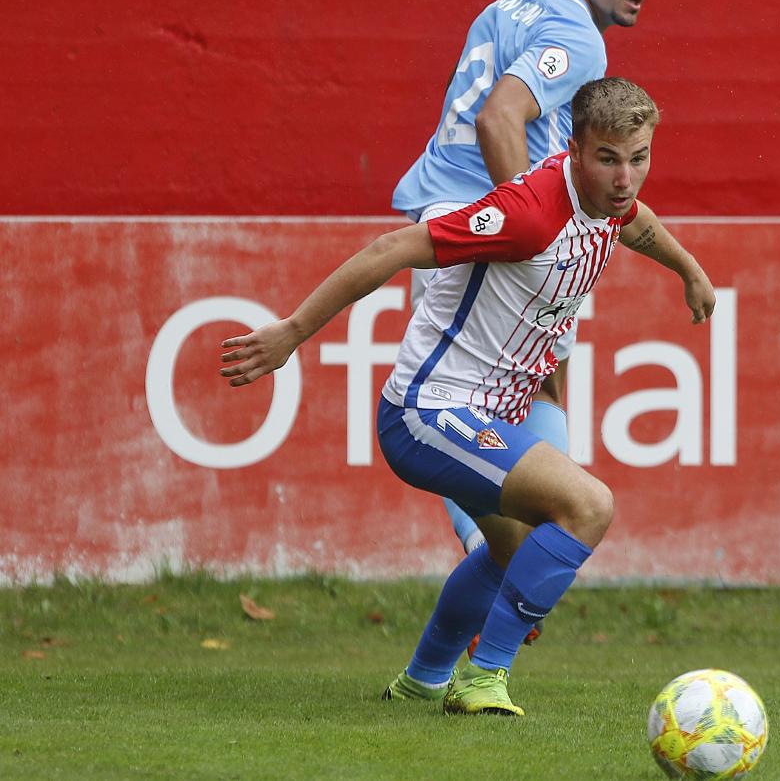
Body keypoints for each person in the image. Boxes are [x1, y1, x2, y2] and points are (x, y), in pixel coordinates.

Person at [220, 78, 714, 716]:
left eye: (638, 159)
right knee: (588, 506)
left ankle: (422, 679)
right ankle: (485, 677)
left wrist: (690, 270)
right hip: (427, 414)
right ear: (574, 147)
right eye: (608, 159)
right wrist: (292, 331)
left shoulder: (608, 201)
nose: (625, 178)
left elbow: (634, 223)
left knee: (509, 552)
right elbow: (395, 248)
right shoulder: (529, 214)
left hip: (480, 413)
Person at [391, 0, 660, 555]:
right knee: (475, 426)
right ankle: (500, 564)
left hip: (450, 213)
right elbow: (499, 117)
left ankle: (507, 560)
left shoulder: (509, 7)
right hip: (487, 234)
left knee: (531, 387)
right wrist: (528, 221)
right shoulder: (578, 38)